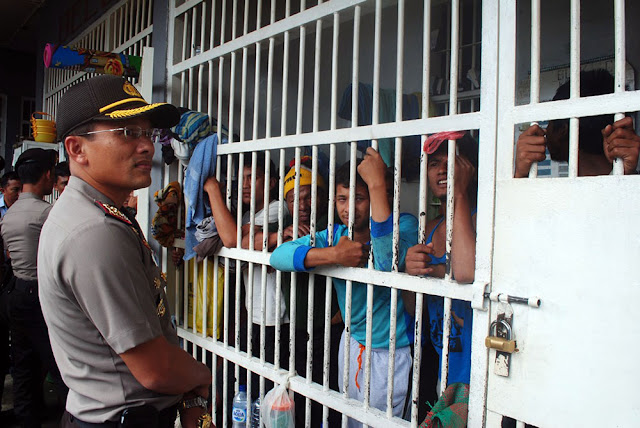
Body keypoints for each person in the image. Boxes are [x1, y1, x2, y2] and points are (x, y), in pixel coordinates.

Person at [37, 75, 212, 428]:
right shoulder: (94, 231)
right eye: (127, 133)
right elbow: (154, 369)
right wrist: (203, 376)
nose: (146, 146)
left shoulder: (97, 214)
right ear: (76, 149)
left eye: (146, 133)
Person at [271, 148, 417, 427]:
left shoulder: (404, 224)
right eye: (342, 198)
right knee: (348, 418)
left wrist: (376, 184)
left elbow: (387, 264)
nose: (348, 208)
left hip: (392, 350)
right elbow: (278, 257)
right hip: (351, 344)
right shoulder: (334, 236)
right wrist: (333, 256)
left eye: (359, 198)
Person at [204, 155, 290, 393]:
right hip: (254, 313)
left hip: (277, 316)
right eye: (242, 178)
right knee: (250, 383)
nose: (244, 184)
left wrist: (213, 190)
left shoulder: (277, 208)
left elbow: (231, 240)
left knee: (273, 388)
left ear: (271, 182)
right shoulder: (244, 216)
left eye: (253, 177)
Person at [404, 133, 478, 397]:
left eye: (452, 160)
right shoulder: (430, 227)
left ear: (469, 167)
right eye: (434, 163)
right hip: (444, 366)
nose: (442, 169)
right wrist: (410, 274)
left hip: (478, 371)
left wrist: (459, 192)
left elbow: (466, 272)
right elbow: (413, 309)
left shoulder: (482, 216)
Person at [0, 148, 67, 428]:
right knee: (60, 365)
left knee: (24, 368)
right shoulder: (47, 214)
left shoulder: (9, 215)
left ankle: (27, 420)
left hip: (16, 293)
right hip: (41, 295)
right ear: (48, 175)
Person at [515, 69, 640, 178]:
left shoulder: (560, 197)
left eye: (550, 122)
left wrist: (520, 176)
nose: (546, 130)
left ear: (562, 130)